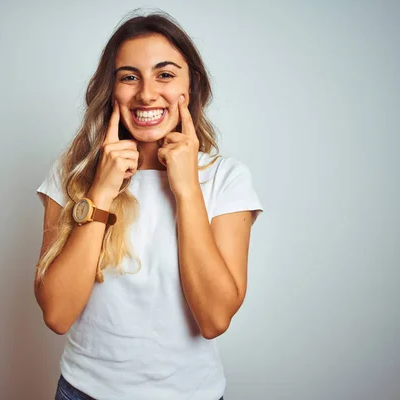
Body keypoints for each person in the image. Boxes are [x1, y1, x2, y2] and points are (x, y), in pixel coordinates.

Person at [35, 10, 263, 400]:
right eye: (129, 76)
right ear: (112, 89)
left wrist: (187, 189)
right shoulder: (72, 174)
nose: (145, 93)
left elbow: (214, 318)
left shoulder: (227, 178)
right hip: (83, 392)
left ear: (189, 88)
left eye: (165, 74)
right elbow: (56, 314)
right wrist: (102, 192)